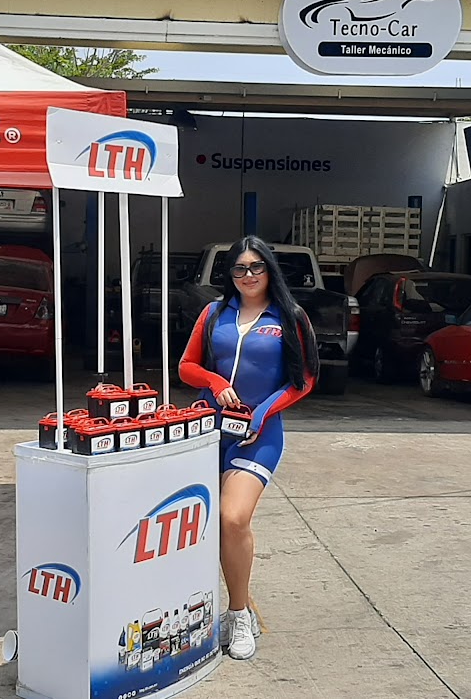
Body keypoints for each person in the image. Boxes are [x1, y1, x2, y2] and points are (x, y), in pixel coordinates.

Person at [178, 235, 319, 661]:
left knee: (232, 518)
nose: (248, 275)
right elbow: (187, 366)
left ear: (269, 270)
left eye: (256, 267)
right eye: (239, 268)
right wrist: (215, 381)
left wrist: (263, 414)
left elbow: (305, 379)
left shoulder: (290, 316)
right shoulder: (214, 313)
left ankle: (239, 615)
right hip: (207, 431)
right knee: (194, 522)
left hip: (260, 435)